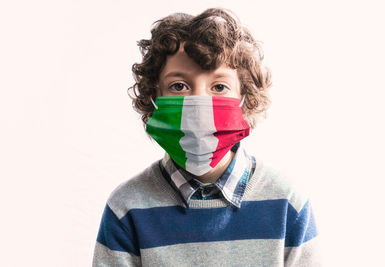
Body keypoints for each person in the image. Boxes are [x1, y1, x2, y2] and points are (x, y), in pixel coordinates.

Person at [93, 7, 320, 267]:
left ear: (245, 98)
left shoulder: (288, 204)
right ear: (155, 96)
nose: (199, 104)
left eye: (219, 87)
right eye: (179, 86)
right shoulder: (126, 209)